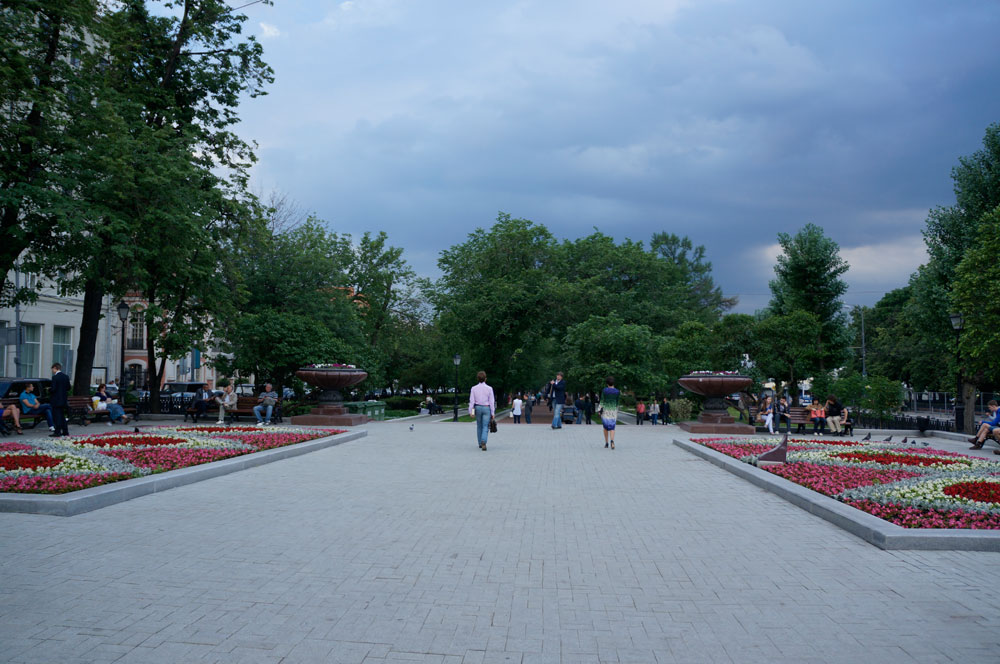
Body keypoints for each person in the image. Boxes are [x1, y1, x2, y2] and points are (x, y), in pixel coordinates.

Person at [468, 371, 495, 451]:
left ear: (478, 379)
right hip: (486, 408)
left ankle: (480, 443)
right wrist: (492, 412)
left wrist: (470, 411)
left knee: (479, 426)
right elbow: (491, 402)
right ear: (485, 379)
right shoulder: (489, 388)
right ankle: (484, 441)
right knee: (485, 426)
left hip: (478, 408)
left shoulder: (473, 388)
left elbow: (472, 401)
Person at [50, 363, 70, 437]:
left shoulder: (55, 377)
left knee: (57, 416)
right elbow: (68, 387)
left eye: (52, 369)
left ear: (55, 368)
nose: (52, 371)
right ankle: (65, 431)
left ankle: (57, 431)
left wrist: (49, 389)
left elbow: (53, 389)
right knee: (62, 416)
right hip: (63, 399)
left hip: (56, 400)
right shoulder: (66, 376)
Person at [600, 376, 620, 449]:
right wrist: (617, 410)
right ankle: (612, 441)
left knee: (605, 427)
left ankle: (606, 443)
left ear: (607, 383)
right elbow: (617, 402)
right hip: (613, 411)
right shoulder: (617, 391)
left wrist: (599, 410)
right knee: (612, 427)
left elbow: (602, 401)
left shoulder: (604, 390)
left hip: (606, 411)